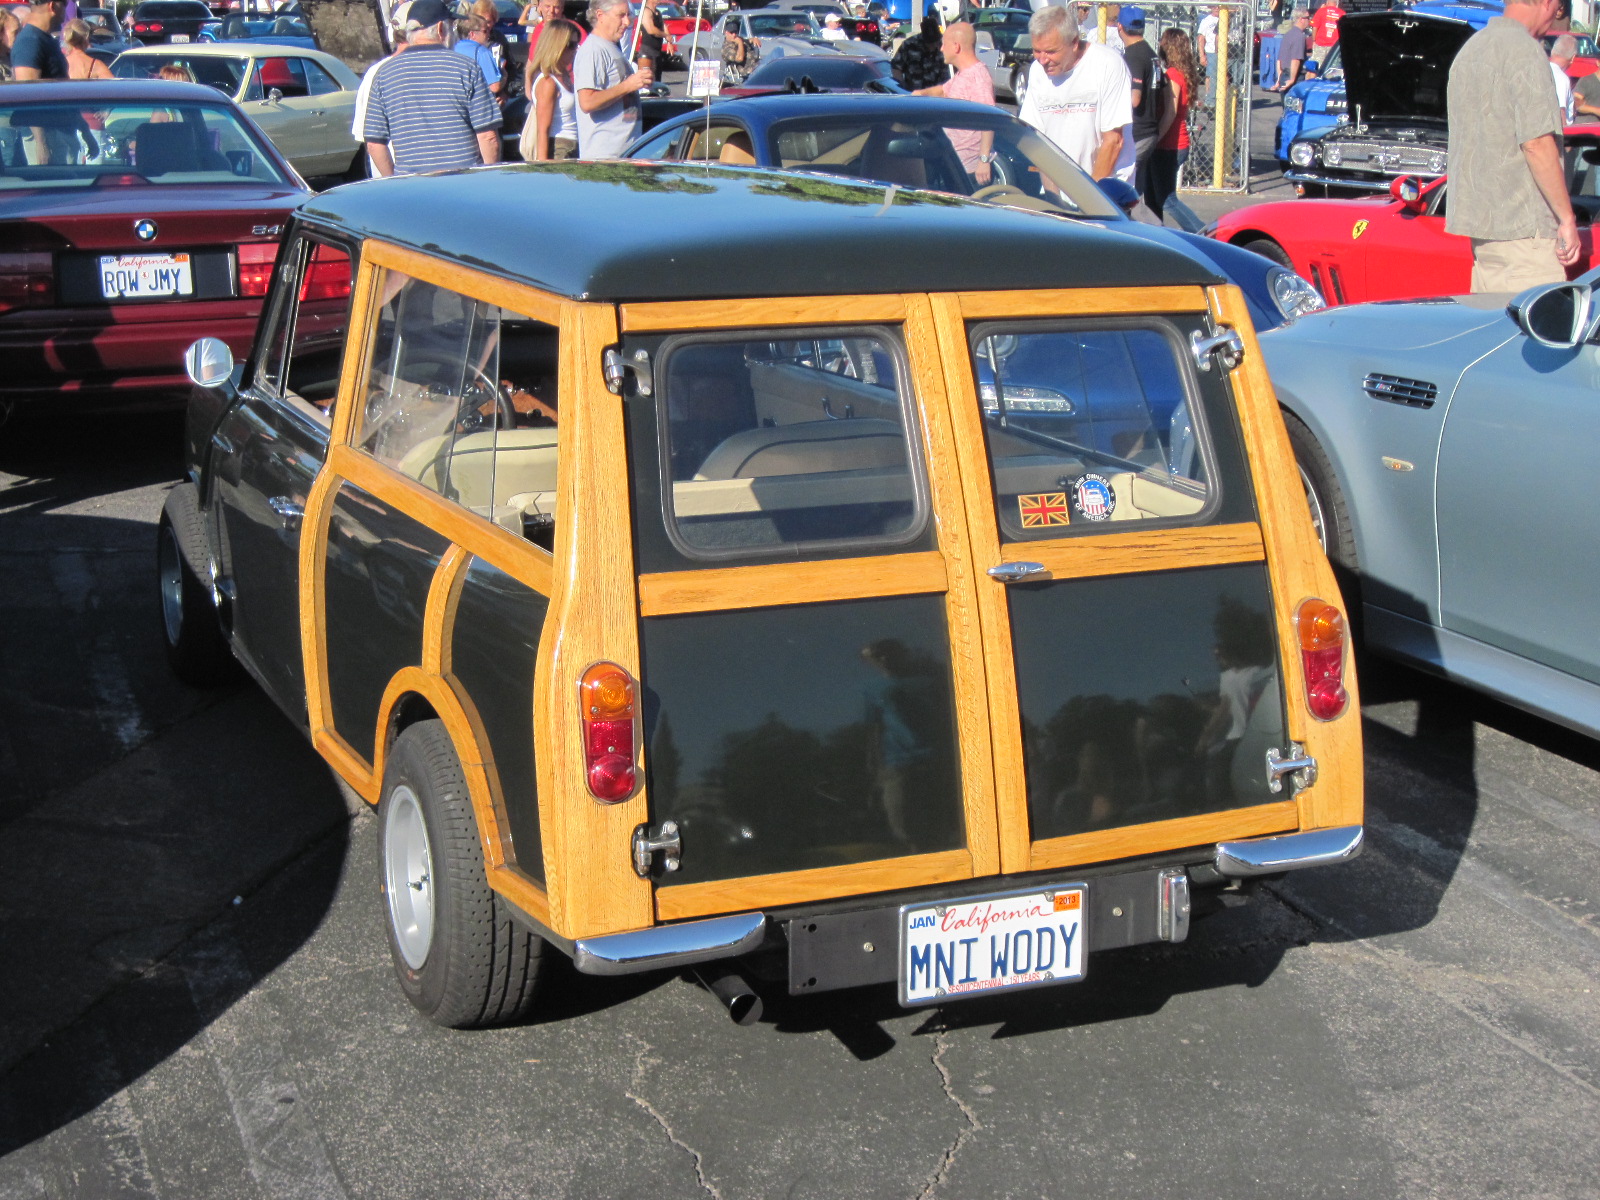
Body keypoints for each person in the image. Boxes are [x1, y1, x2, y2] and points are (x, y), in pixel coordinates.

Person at [1447, 0, 1580, 291]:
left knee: (1496, 331)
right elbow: (1536, 143)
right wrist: (1567, 218)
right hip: (1526, 233)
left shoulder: (1470, 50)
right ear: (1546, 3)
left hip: (1482, 233)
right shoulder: (1526, 51)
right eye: (1557, 9)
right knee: (1534, 334)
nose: (1554, 19)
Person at [362, 0, 502, 177]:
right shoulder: (466, 68)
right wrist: (489, 179)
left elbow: (374, 144)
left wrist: (394, 180)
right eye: (451, 26)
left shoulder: (385, 74)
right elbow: (488, 136)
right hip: (464, 184)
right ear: (440, 29)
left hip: (412, 189)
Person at [1018, 3, 1135, 183]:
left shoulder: (1107, 64)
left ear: (1073, 43)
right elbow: (1037, 140)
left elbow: (1114, 141)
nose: (1042, 59)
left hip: (1105, 190)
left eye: (1050, 51)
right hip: (1059, 191)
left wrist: (1090, 199)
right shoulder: (1037, 71)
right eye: (1036, 50)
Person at [912, 20, 995, 183]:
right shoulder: (962, 75)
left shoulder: (978, 77)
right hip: (953, 163)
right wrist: (921, 93)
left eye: (944, 44)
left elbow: (988, 118)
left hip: (970, 172)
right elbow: (943, 90)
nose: (941, 48)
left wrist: (983, 161)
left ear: (956, 46)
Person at [574, 0, 650, 159]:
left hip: (623, 154)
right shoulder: (593, 50)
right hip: (604, 159)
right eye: (621, 16)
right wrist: (628, 86)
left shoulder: (610, 47)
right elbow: (587, 102)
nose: (627, 22)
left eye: (628, 15)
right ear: (600, 15)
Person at [1146, 25, 1197, 220]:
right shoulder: (1182, 73)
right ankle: (1155, 238)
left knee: (1167, 200)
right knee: (1152, 198)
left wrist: (1155, 139)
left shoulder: (1174, 75)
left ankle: (1203, 234)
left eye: (1162, 41)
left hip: (1169, 145)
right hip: (1170, 144)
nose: (1159, 44)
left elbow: (1170, 112)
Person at [1120, 7, 1166, 208]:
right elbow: (1162, 91)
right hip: (1149, 130)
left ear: (1120, 27)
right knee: (1137, 192)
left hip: (1138, 132)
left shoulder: (1134, 56)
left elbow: (1135, 99)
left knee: (1124, 194)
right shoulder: (1150, 53)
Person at [522, 16, 580, 160]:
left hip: (572, 146)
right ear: (557, 46)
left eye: (577, 44)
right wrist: (545, 169)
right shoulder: (548, 82)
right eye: (571, 45)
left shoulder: (564, 76)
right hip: (559, 149)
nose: (575, 50)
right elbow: (543, 130)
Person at [11, 0, 67, 81]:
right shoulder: (29, 43)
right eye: (64, 4)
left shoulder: (41, 38)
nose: (65, 9)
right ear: (52, 6)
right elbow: (27, 90)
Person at [455, 12, 505, 101]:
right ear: (472, 34)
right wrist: (504, 75)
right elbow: (494, 87)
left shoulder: (453, 49)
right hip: (478, 106)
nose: (489, 35)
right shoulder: (482, 53)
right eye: (485, 31)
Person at [891, 13, 947, 91]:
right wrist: (902, 87)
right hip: (916, 95)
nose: (933, 45)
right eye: (930, 43)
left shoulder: (945, 44)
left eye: (935, 42)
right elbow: (896, 67)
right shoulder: (909, 45)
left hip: (939, 94)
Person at [1272, 8, 1309, 91]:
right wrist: (1292, 79)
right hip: (1294, 77)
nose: (1309, 20)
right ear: (1301, 19)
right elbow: (1295, 60)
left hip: (1284, 75)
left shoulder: (1288, 34)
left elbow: (1279, 60)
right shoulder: (1299, 36)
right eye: (1308, 17)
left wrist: (1279, 79)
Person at [632, 0, 664, 82]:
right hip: (647, 49)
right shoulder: (646, 12)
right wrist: (666, 35)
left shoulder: (657, 12)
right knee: (647, 78)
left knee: (657, 78)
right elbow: (651, 30)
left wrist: (669, 41)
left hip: (657, 49)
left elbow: (663, 27)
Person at [721, 13, 756, 84]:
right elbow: (739, 59)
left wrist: (753, 39)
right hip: (748, 70)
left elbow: (748, 40)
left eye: (735, 32)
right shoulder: (727, 48)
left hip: (756, 64)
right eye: (731, 32)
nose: (734, 35)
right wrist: (740, 43)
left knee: (776, 55)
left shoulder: (738, 39)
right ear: (726, 33)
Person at [1550, 33, 1576, 123]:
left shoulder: (1539, 69)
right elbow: (1560, 112)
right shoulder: (1561, 78)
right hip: (1556, 134)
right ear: (1573, 58)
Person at [1310, 0, 1342, 68]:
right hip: (1334, 47)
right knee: (1331, 68)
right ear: (1336, 3)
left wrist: (1314, 40)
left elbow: (1315, 27)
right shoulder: (1342, 13)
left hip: (1320, 45)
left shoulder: (1321, 11)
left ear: (1327, 3)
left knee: (1316, 67)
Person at [1196, 5, 1218, 104]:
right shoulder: (1206, 20)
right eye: (1215, 7)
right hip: (1211, 51)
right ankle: (1210, 100)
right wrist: (1202, 55)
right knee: (1211, 76)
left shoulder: (1228, 19)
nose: (1217, 8)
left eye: (1219, 7)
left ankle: (1222, 100)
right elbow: (1201, 38)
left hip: (1226, 52)